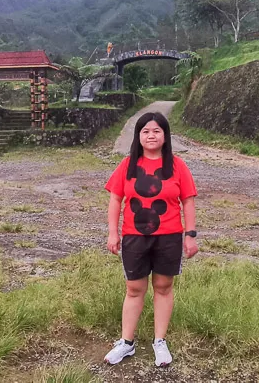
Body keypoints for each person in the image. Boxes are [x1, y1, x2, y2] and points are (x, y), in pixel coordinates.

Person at [102, 111, 198, 367]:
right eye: (145, 131)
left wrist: (190, 235)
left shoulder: (178, 166)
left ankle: (159, 341)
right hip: (135, 237)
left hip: (169, 237)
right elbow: (115, 199)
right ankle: (127, 343)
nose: (151, 135)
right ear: (139, 136)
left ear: (165, 136)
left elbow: (187, 201)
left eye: (156, 130)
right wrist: (113, 232)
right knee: (134, 289)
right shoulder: (127, 164)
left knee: (164, 288)